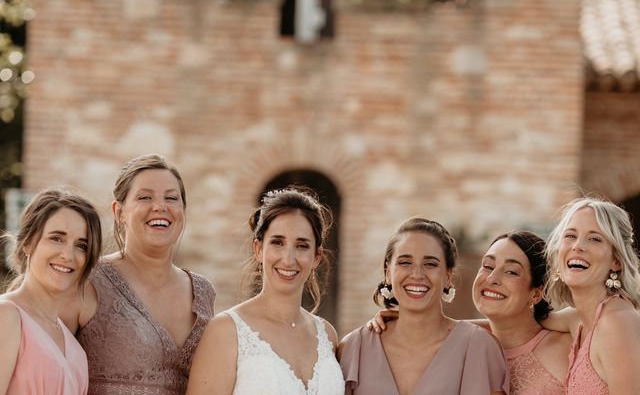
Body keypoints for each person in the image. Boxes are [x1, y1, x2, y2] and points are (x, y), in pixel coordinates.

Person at [61, 154, 216, 395]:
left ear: (183, 210)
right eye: (145, 197)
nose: (160, 206)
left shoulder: (204, 292)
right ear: (118, 211)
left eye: (172, 198)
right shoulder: (88, 280)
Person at [186, 187, 344, 395]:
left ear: (317, 256)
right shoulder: (226, 331)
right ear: (259, 249)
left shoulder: (327, 336)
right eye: (277, 242)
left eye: (302, 245)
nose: (288, 259)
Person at [339, 217, 509, 395]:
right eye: (405, 262)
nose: (417, 274)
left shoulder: (479, 347)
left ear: (448, 276)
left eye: (430, 264)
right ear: (388, 272)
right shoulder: (354, 347)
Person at [0, 188, 102, 394]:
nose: (68, 254)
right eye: (56, 238)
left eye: (81, 245)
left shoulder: (75, 348)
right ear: (28, 243)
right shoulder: (6, 316)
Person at [542, 197, 640, 394]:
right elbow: (521, 323)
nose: (577, 246)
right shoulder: (580, 317)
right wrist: (461, 326)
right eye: (570, 236)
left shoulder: (617, 322)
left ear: (616, 261)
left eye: (595, 238)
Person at [472, 231, 571, 394]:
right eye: (488, 266)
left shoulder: (566, 348)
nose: (491, 278)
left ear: (536, 293)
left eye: (511, 271)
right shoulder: (467, 348)